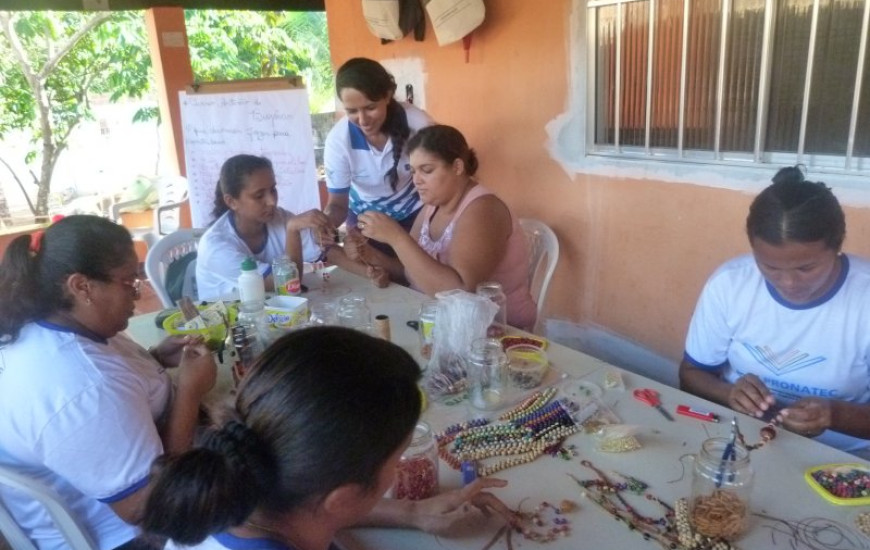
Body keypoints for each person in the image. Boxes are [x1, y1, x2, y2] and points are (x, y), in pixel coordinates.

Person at [141, 326, 513, 549]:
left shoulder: (234, 487)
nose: (400, 468)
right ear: (343, 497)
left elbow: (312, 510)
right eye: (395, 459)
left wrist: (412, 511)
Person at [0, 215, 217, 550]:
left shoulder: (50, 322)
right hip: (128, 535)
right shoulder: (81, 386)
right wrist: (189, 391)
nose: (138, 291)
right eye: (128, 281)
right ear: (81, 286)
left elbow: (113, 379)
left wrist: (156, 357)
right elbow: (148, 505)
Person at [679, 166, 870, 455]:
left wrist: (834, 415)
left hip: (843, 456)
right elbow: (692, 373)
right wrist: (729, 393)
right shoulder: (730, 284)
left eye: (806, 268)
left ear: (837, 245)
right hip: (744, 440)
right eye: (769, 267)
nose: (789, 283)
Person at [350, 125, 537, 331]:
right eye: (413, 171)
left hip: (497, 331)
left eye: (427, 170)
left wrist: (396, 237)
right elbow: (411, 270)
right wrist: (368, 253)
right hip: (438, 320)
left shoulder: (484, 209)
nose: (416, 181)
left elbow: (460, 292)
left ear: (457, 167)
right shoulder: (433, 207)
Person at [197, 154, 350, 301]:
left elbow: (327, 250)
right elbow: (286, 284)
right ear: (231, 202)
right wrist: (292, 231)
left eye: (273, 190)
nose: (271, 201)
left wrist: (372, 273)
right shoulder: (216, 247)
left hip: (272, 311)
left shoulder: (278, 217)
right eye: (259, 196)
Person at [323, 57, 434, 253]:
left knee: (412, 273)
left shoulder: (418, 124)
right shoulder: (338, 141)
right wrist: (324, 224)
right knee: (372, 276)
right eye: (352, 111)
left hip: (415, 215)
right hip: (365, 222)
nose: (363, 120)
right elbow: (338, 204)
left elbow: (437, 183)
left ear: (388, 95)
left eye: (370, 107)